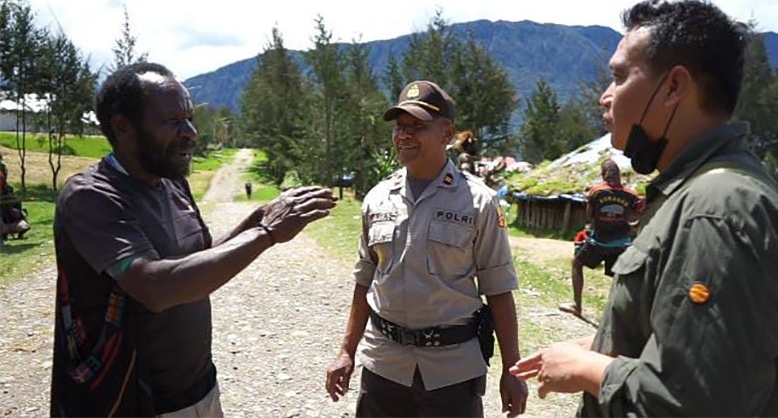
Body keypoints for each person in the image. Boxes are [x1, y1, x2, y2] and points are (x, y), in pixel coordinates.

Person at [510, 0, 778, 416]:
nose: (606, 97)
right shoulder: (703, 190)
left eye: (619, 77)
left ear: (674, 87)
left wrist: (591, 370)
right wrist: (605, 345)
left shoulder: (716, 210)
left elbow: (696, 402)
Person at [50, 62, 337, 417]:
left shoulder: (170, 180)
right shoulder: (91, 196)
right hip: (134, 401)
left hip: (200, 388)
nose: (190, 132)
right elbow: (156, 287)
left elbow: (199, 263)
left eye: (189, 119)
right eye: (173, 122)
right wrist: (266, 234)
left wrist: (256, 219)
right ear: (123, 127)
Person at [325, 80, 528, 417]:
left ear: (446, 133)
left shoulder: (479, 203)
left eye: (417, 126)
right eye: (400, 127)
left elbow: (499, 289)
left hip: (451, 373)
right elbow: (365, 280)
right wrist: (346, 351)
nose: (404, 135)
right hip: (384, 365)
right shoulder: (377, 198)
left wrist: (512, 369)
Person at [559, 159, 642, 317]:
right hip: (621, 243)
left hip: (599, 242)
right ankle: (620, 312)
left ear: (604, 174)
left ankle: (577, 305)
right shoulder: (631, 194)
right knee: (618, 276)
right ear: (619, 175)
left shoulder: (596, 191)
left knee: (577, 264)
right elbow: (635, 216)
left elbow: (590, 216)